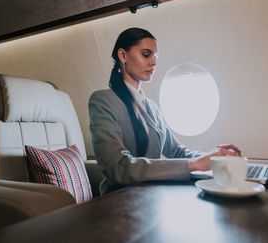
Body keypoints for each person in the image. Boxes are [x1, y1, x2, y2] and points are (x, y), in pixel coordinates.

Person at [88, 27, 241, 194]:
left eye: (155, 57)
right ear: (123, 55)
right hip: (119, 200)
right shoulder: (103, 101)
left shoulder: (152, 107)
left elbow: (175, 151)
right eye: (146, 55)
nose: (153, 63)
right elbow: (118, 168)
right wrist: (195, 165)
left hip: (151, 193)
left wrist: (213, 156)